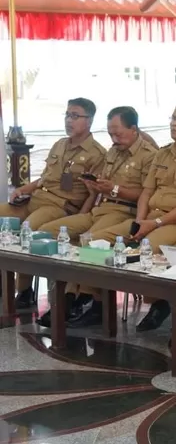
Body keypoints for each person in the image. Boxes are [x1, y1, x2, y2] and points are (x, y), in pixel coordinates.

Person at [90, 101, 176, 332]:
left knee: (148, 248)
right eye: (172, 118)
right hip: (149, 219)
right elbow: (147, 191)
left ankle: (160, 304)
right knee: (94, 241)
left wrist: (154, 223)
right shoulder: (163, 153)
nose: (174, 123)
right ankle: (93, 302)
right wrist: (141, 221)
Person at [35, 106, 157, 327]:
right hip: (100, 208)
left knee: (91, 241)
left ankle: (90, 301)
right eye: (110, 133)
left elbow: (147, 194)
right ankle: (67, 296)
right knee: (53, 231)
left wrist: (115, 189)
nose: (114, 138)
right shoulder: (112, 152)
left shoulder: (149, 156)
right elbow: (103, 187)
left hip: (123, 210)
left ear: (134, 129)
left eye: (118, 133)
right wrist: (96, 186)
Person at [0, 97, 107, 308]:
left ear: (90, 120)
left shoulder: (97, 154)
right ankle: (3, 284)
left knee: (29, 229)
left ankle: (24, 290)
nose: (69, 120)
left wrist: (82, 216)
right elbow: (44, 178)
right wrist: (22, 189)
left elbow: (93, 193)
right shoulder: (59, 145)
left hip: (58, 206)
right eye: (67, 115)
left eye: (75, 116)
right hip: (34, 198)